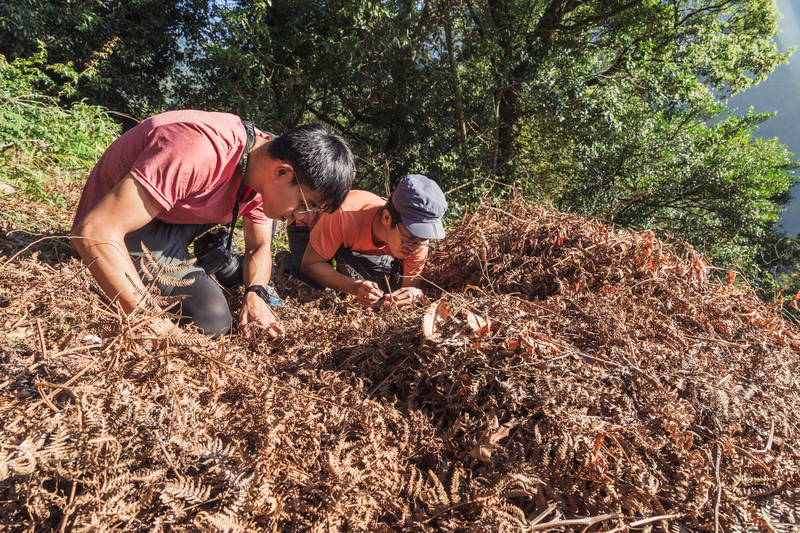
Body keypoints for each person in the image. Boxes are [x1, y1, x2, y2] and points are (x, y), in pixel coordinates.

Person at [70, 110, 355, 338]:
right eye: (305, 205)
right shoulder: (200, 149)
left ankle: (186, 256)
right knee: (212, 319)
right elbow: (95, 231)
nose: (301, 218)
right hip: (128, 222)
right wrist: (150, 323)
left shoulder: (261, 170)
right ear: (282, 172)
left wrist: (255, 293)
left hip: (172, 213)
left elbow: (259, 247)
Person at [277, 174, 447, 308]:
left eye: (422, 240)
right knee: (314, 290)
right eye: (409, 238)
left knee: (381, 289)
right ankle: (284, 260)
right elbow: (311, 264)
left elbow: (412, 286)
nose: (415, 248)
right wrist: (354, 286)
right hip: (308, 225)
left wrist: (412, 294)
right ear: (387, 218)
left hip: (349, 241)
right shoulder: (344, 214)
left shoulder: (417, 240)